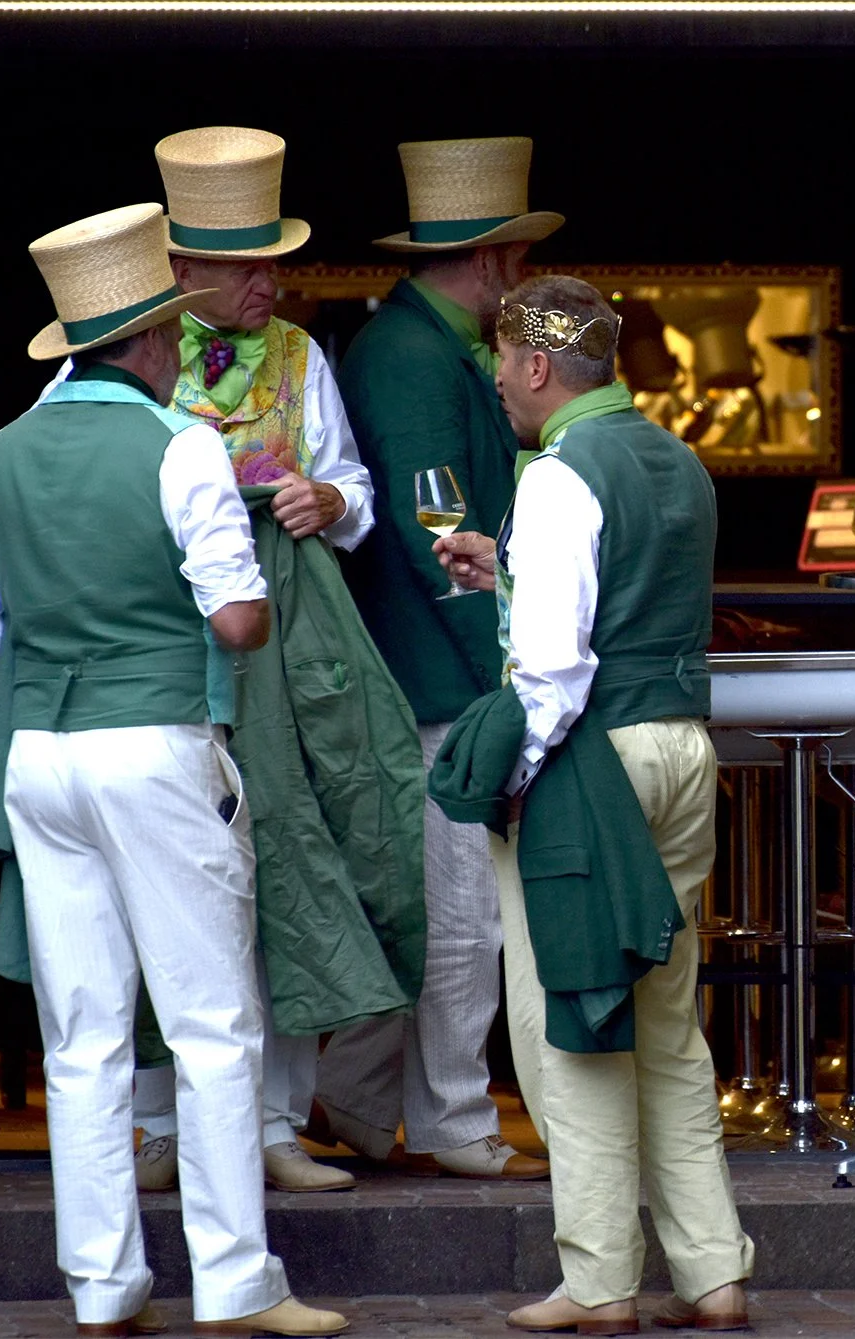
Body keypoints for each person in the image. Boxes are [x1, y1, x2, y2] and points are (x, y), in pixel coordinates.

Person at [0, 203, 345, 1338]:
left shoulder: (1, 450)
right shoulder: (182, 444)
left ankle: (104, 1287)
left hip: (40, 757)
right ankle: (235, 1282)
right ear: (155, 338)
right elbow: (240, 619)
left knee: (83, 1038)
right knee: (213, 1025)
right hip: (157, 744)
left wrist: (64, 632)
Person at [47, 126, 381, 1197]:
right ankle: (154, 1124)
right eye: (246, 267)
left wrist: (329, 501)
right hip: (155, 646)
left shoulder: (301, 357)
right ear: (180, 271)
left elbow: (356, 488)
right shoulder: (104, 363)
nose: (268, 284)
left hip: (276, 644)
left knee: (284, 862)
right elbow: (56, 481)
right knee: (152, 883)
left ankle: (273, 1123)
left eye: (273, 263)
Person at [432, 276, 755, 1333]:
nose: (495, 378)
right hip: (679, 749)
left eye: (500, 359)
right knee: (665, 1020)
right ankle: (712, 1270)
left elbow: (554, 672)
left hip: (590, 764)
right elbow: (626, 591)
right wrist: (507, 573)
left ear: (536, 364)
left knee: (567, 1027)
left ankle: (601, 1281)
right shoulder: (675, 457)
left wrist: (511, 782)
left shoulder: (557, 475)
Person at [323, 137, 561, 1180]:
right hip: (443, 676)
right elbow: (441, 535)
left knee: (437, 905)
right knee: (463, 913)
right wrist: (503, 675)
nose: (524, 277)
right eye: (519, 256)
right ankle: (453, 1116)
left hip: (434, 670)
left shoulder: (417, 344)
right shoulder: (416, 356)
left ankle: (361, 1099)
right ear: (494, 257)